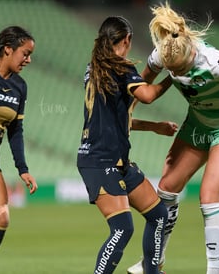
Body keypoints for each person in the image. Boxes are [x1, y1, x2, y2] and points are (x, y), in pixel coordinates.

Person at [127, 2, 219, 274]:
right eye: (173, 71)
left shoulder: (214, 62)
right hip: (198, 123)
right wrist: (125, 116)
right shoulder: (163, 54)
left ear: (189, 54)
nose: (178, 74)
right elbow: (139, 86)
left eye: (180, 69)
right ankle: (154, 261)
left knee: (208, 198)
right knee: (167, 188)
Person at [77, 16, 178, 274]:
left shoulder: (96, 69)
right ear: (127, 40)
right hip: (100, 162)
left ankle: (151, 272)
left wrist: (154, 127)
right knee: (123, 227)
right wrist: (174, 75)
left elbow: (118, 119)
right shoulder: (119, 67)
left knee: (158, 216)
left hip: (115, 161)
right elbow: (148, 95)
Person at [0, 26, 38, 248]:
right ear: (7, 49)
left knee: (2, 216)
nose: (28, 60)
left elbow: (15, 130)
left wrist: (23, 169)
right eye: (25, 53)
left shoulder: (19, 87)